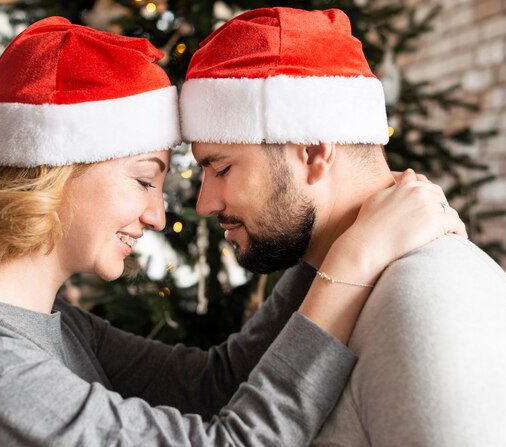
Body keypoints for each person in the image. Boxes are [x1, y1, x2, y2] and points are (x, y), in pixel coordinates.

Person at [0, 17, 465, 447]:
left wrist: (331, 242)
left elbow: (216, 385)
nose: (160, 215)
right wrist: (355, 261)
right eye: (143, 179)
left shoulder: (42, 322)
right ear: (59, 172)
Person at [179, 7, 506, 446]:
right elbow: (212, 381)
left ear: (315, 153)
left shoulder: (425, 299)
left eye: (221, 169)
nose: (204, 204)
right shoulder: (338, 276)